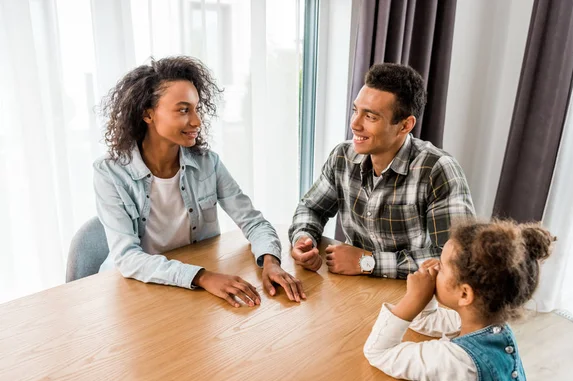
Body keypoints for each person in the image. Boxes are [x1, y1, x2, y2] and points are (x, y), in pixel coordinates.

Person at [94, 56, 305, 307]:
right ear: (147, 114)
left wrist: (270, 261)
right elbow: (128, 258)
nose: (196, 121)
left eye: (196, 108)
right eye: (183, 110)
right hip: (136, 292)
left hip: (192, 293)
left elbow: (253, 222)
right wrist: (202, 276)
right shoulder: (110, 173)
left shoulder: (207, 163)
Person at [289, 63, 475, 278]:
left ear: (405, 126)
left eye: (371, 117)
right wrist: (304, 239)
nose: (355, 124)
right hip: (355, 288)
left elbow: (457, 259)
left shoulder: (438, 169)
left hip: (414, 295)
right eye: (355, 111)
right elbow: (311, 209)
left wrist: (368, 262)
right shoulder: (343, 156)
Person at [364, 219, 555, 381]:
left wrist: (412, 299)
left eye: (443, 266)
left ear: (464, 294)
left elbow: (378, 352)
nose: (436, 266)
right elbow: (427, 321)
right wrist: (425, 297)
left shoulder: (454, 361)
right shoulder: (494, 327)